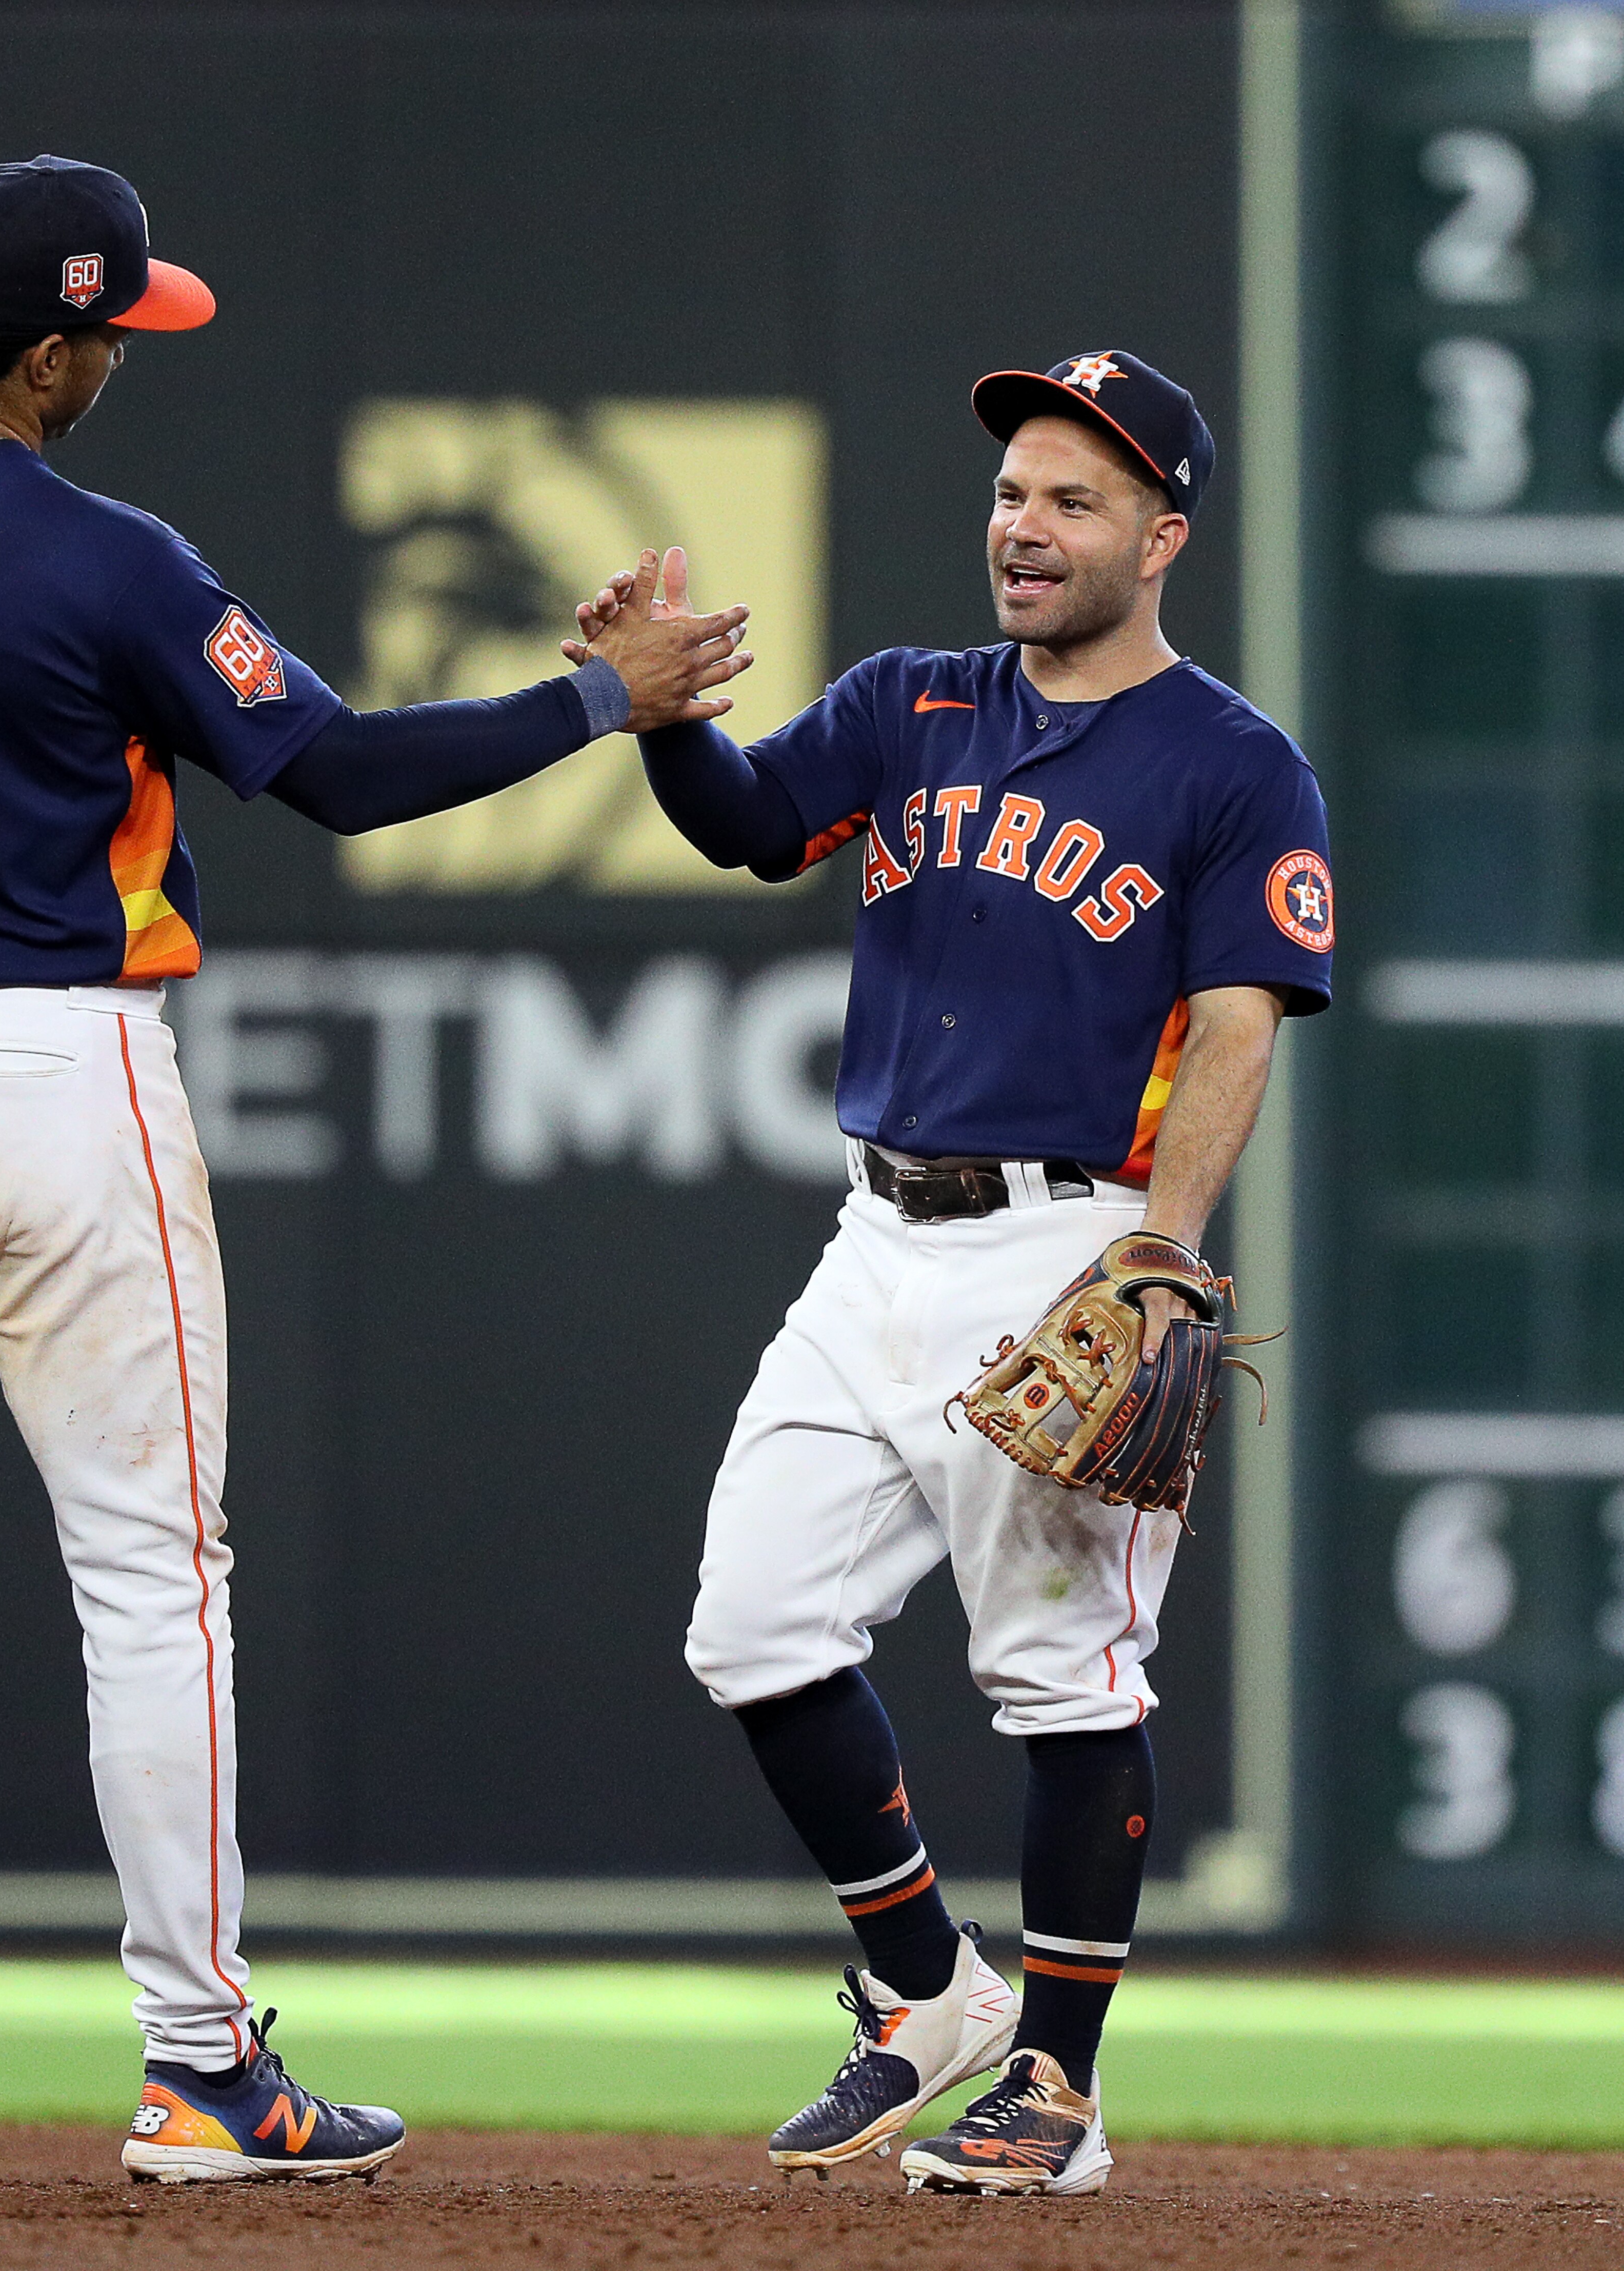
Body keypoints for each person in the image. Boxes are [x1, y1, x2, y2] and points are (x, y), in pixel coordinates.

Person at [0, 153, 748, 2187]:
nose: (118, 368)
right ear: (46, 347)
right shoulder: (99, 558)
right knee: (155, 1572)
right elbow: (331, 770)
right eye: (109, 338)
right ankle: (204, 2066)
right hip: (46, 1062)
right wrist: (602, 701)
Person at [565, 352, 1333, 2196]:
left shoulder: (1234, 765)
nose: (1024, 524)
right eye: (1012, 492)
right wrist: (660, 718)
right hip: (873, 1236)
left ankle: (1054, 2088)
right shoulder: (911, 702)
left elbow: (1236, 1027)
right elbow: (751, 828)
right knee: (749, 1625)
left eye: (1073, 499)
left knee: (1064, 1679)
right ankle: (926, 1995)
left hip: (1073, 1241)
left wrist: (1164, 1246)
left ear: (1162, 537)